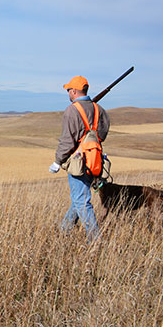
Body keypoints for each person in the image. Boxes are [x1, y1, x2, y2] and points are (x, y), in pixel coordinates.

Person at [49, 75, 110, 240]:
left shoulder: (72, 110)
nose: (68, 93)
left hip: (78, 162)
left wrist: (57, 161)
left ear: (74, 91)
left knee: (82, 201)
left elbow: (67, 141)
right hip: (96, 160)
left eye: (69, 90)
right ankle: (64, 230)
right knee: (80, 197)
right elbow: (102, 135)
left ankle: (95, 240)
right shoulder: (99, 109)